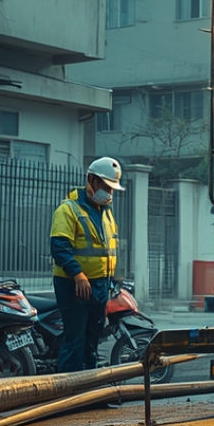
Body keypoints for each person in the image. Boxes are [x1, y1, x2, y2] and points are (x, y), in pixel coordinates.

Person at [50, 157, 124, 372]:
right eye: (106, 187)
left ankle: (89, 391)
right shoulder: (68, 210)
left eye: (112, 189)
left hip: (100, 285)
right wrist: (78, 275)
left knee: (92, 342)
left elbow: (107, 250)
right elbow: (59, 248)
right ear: (91, 180)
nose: (109, 193)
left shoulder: (105, 213)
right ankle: (68, 393)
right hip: (74, 285)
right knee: (75, 340)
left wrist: (111, 280)